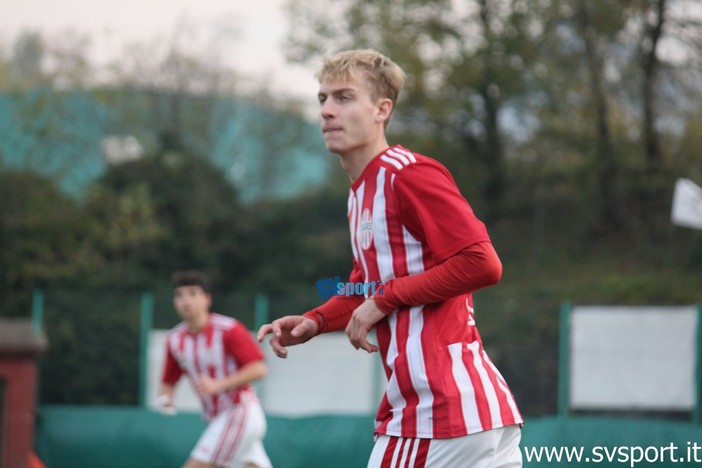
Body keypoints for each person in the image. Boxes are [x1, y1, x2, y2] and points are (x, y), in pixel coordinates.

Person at [257, 49, 523, 467]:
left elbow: (481, 262)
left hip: (438, 414)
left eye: (344, 98)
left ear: (383, 109)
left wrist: (386, 299)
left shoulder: (408, 174)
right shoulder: (360, 194)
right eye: (322, 99)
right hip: (471, 415)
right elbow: (366, 286)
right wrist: (316, 320)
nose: (327, 111)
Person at [160, 270, 272, 468]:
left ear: (206, 299)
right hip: (217, 418)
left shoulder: (228, 329)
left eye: (193, 294)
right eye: (180, 295)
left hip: (238, 411)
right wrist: (166, 399)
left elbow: (259, 369)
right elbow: (168, 380)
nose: (186, 300)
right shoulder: (175, 339)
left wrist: (219, 384)